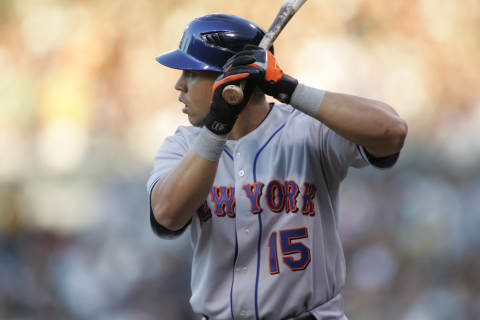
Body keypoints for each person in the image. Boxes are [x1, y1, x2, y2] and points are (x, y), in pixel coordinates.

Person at [147, 13, 407, 320]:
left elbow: (392, 132)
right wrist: (218, 124)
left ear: (226, 76)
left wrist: (288, 88)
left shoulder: (307, 130)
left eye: (191, 72)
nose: (179, 85)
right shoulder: (182, 145)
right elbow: (166, 216)